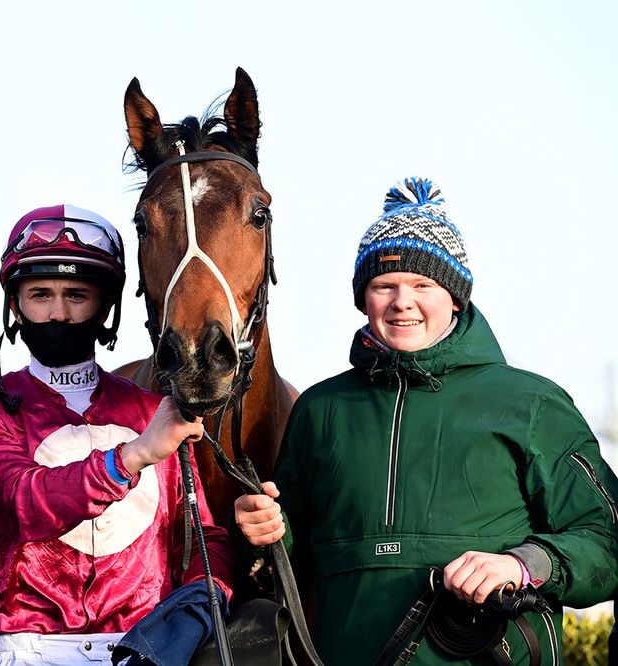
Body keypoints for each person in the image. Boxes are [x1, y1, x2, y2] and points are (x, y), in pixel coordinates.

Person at [235, 178, 618, 664]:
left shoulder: (532, 403)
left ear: (456, 296)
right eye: (383, 285)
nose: (402, 301)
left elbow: (605, 539)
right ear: (363, 298)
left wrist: (523, 564)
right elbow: (289, 563)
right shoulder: (320, 409)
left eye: (423, 285)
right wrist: (267, 529)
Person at [0, 204, 233, 666]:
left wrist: (200, 605)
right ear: (15, 305)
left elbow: (201, 537)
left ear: (105, 306)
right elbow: (23, 505)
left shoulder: (151, 410)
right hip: (27, 653)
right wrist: (133, 456)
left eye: (76, 295)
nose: (58, 313)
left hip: (142, 651)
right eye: (40, 294)